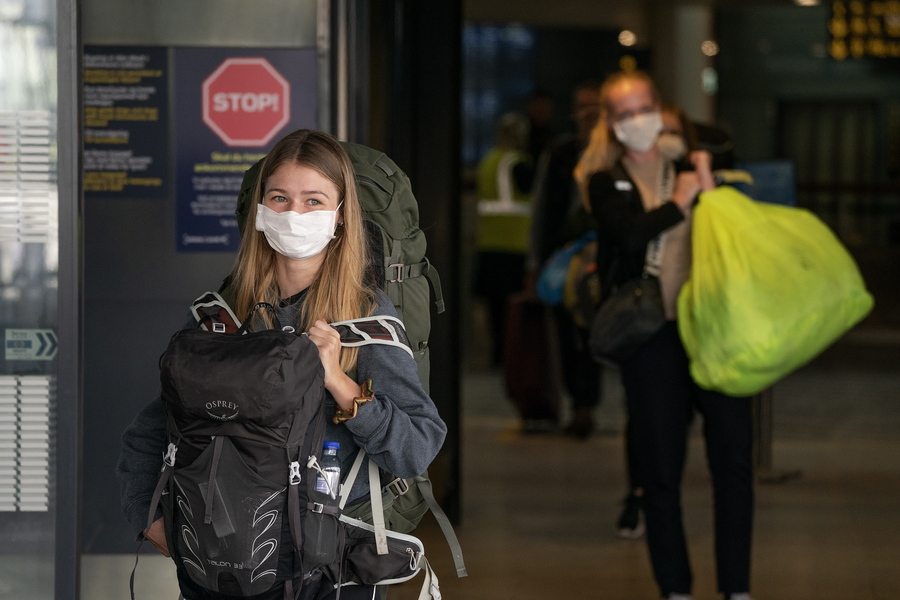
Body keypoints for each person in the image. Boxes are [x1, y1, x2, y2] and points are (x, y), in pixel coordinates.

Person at [116, 129, 448, 600]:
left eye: (314, 201)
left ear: (339, 218)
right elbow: (149, 433)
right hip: (221, 566)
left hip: (330, 574)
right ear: (260, 210)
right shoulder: (221, 320)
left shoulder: (365, 319)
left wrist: (338, 381)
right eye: (280, 197)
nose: (294, 214)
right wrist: (149, 519)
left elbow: (417, 447)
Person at [574, 71, 755, 600]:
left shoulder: (700, 165)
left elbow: (736, 233)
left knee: (733, 462)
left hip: (715, 330)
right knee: (659, 468)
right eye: (624, 112)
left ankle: (736, 589)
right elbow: (628, 236)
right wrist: (678, 201)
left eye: (643, 107)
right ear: (610, 121)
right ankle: (675, 589)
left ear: (661, 106)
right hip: (652, 337)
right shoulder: (607, 179)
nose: (637, 120)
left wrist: (708, 184)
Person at [528, 80, 603, 439]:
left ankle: (587, 403)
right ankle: (578, 403)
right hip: (562, 261)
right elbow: (541, 210)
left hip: (602, 261)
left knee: (595, 335)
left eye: (595, 108)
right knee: (566, 334)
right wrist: (534, 263)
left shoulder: (613, 154)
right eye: (582, 107)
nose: (587, 116)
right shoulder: (559, 153)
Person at [473, 111, 535, 367]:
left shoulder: (488, 161)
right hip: (515, 245)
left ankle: (497, 355)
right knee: (514, 312)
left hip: (488, 243)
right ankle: (511, 358)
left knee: (494, 309)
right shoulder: (519, 163)